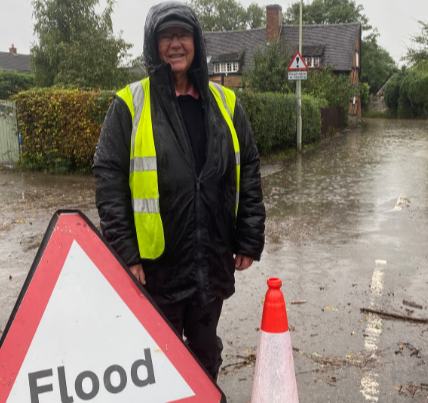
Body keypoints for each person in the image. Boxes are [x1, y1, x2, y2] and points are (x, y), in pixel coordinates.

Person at [93, 1, 265, 381]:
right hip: (157, 268)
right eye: (165, 36)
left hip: (210, 259)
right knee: (156, 359)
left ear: (196, 42)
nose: (175, 44)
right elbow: (108, 178)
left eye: (183, 35)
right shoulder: (130, 104)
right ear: (152, 45)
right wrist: (127, 254)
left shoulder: (226, 102)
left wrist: (249, 237)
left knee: (205, 354)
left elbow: (248, 166)